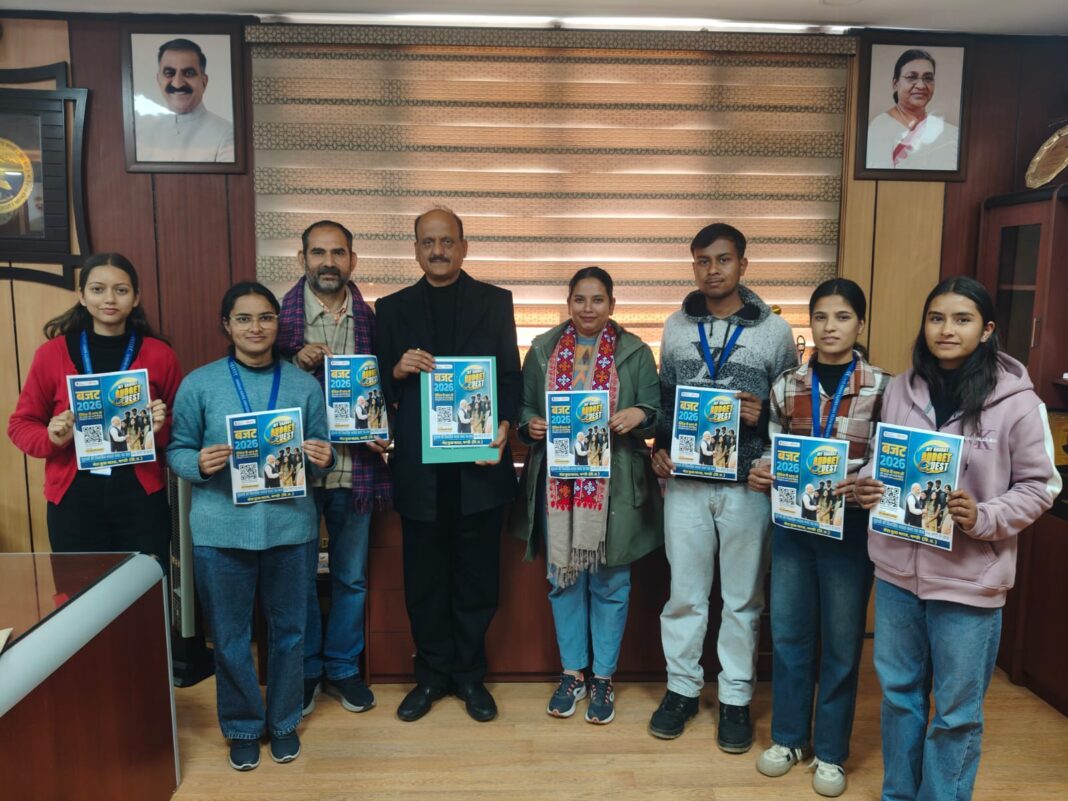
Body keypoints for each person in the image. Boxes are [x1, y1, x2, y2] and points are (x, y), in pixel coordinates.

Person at [854, 277, 1060, 801]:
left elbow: (1040, 486)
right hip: (898, 575)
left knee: (956, 713)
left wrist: (982, 516)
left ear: (987, 330)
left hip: (970, 580)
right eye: (936, 318)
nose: (947, 329)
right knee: (899, 698)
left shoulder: (1019, 402)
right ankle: (898, 794)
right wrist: (870, 483)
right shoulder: (901, 388)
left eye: (962, 319)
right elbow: (886, 457)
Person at [167, 281, 335, 771]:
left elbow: (321, 452)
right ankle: (242, 725)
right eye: (243, 318)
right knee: (230, 637)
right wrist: (197, 462)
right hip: (221, 532)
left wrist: (322, 458)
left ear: (278, 323)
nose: (256, 327)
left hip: (291, 530)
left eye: (265, 317)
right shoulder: (200, 384)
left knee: (290, 633)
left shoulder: (303, 386)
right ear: (227, 325)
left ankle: (283, 721)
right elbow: (177, 449)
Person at [649, 222, 797, 752]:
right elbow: (666, 401)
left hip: (747, 486)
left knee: (742, 599)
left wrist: (764, 417)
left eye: (723, 259)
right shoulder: (674, 327)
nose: (712, 270)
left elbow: (794, 409)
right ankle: (682, 690)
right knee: (684, 595)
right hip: (686, 484)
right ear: (694, 265)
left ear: (743, 264)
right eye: (702, 260)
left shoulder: (775, 331)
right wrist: (659, 449)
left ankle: (735, 697)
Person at [376, 206, 520, 723]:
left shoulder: (496, 302)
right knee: (425, 582)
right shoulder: (390, 308)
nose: (437, 251)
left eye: (446, 241)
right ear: (416, 249)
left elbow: (509, 377)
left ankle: (470, 677)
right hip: (421, 472)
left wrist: (505, 425)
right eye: (427, 242)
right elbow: (375, 390)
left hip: (479, 468)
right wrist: (396, 370)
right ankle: (432, 676)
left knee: (478, 581)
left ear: (463, 246)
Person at [747, 278, 890, 797]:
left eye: (843, 317)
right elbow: (774, 446)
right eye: (822, 317)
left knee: (842, 642)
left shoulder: (884, 387)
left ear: (860, 323)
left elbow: (890, 456)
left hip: (850, 527)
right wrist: (763, 469)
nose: (831, 327)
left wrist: (868, 479)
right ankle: (789, 739)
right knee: (788, 634)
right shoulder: (787, 384)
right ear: (810, 323)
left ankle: (830, 750)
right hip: (794, 522)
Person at [511, 266, 663, 725]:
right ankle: (572, 672)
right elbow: (524, 409)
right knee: (563, 579)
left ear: (612, 304)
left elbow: (658, 412)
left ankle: (603, 678)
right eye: (580, 299)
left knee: (611, 582)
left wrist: (638, 415)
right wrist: (531, 424)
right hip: (558, 484)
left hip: (613, 484)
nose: (588, 308)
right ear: (568, 303)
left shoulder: (635, 352)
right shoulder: (542, 349)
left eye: (598, 300)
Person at [276, 219, 392, 719]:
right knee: (297, 578)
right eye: (318, 252)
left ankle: (343, 667)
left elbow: (389, 388)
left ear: (353, 260)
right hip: (294, 470)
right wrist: (292, 359)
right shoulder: (277, 321)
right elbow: (254, 381)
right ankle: (306, 669)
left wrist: (387, 429)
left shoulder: (373, 320)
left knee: (351, 577)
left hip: (355, 468)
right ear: (302, 259)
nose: (329, 262)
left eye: (338, 252)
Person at [8, 252, 181, 567]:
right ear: (82, 296)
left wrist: (159, 429)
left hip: (140, 497)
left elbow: (181, 427)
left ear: (136, 297)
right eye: (98, 289)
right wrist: (52, 438)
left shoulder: (160, 355)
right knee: (81, 589)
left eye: (121, 290)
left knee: (146, 589)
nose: (109, 299)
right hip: (74, 499)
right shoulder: (52, 354)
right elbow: (21, 424)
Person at [135, 38, 234, 163]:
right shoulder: (141, 136)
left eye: (188, 73)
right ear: (158, 80)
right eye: (169, 73)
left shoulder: (226, 135)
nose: (177, 83)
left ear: (204, 81)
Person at [866, 48, 959, 171]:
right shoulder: (880, 127)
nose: (921, 85)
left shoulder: (950, 133)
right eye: (911, 77)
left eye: (928, 78)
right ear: (895, 84)